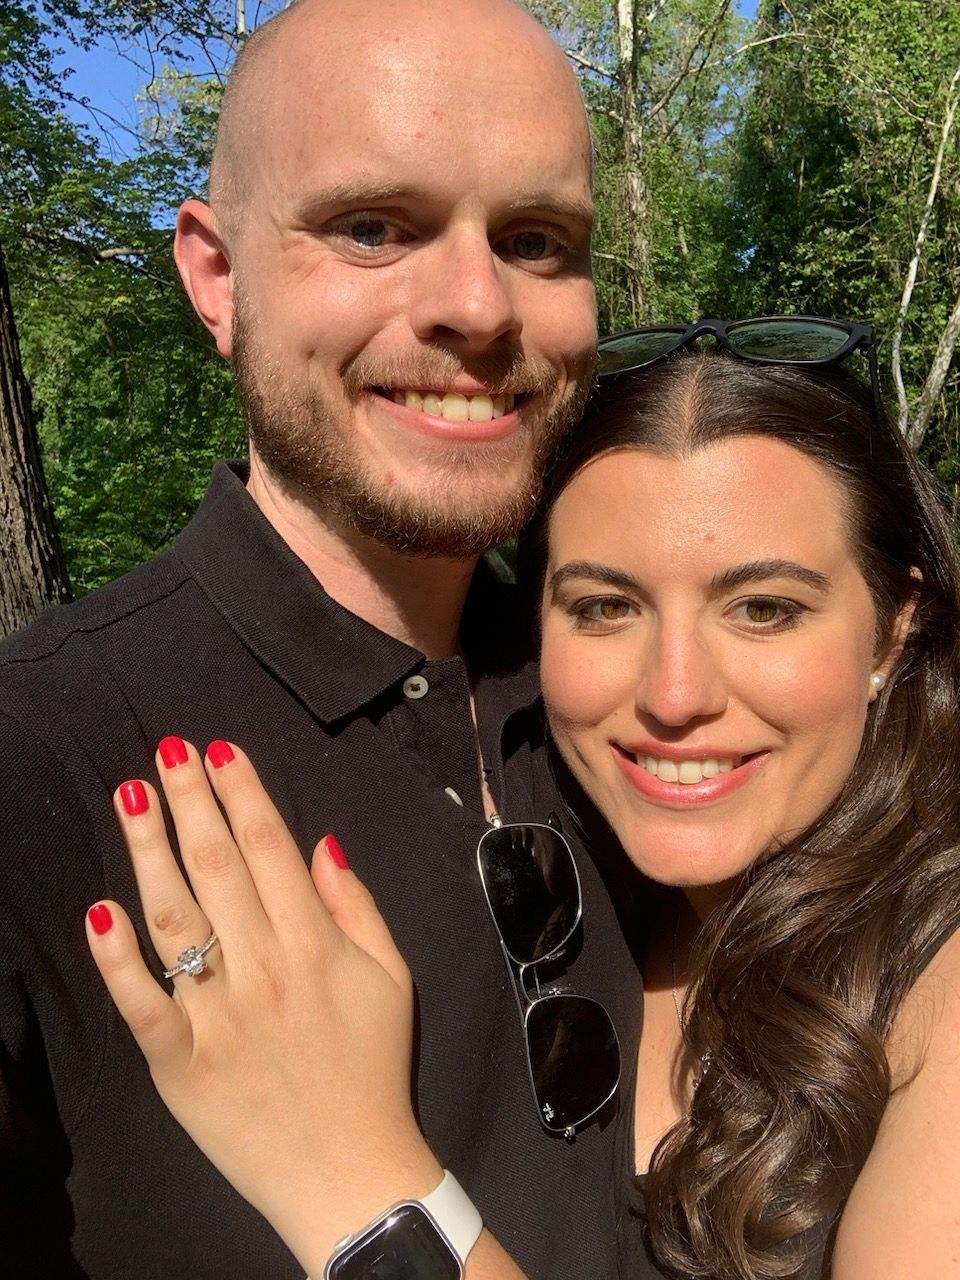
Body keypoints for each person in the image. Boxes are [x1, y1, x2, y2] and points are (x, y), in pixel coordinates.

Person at [87, 339, 960, 1280]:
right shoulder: (619, 899)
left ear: (893, 628)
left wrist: (350, 1173)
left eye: (764, 610)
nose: (675, 696)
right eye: (605, 608)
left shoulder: (939, 985)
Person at [0, 2, 643, 1276]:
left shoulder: (661, 706)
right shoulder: (38, 771)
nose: (477, 306)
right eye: (372, 228)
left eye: (535, 240)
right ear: (217, 276)